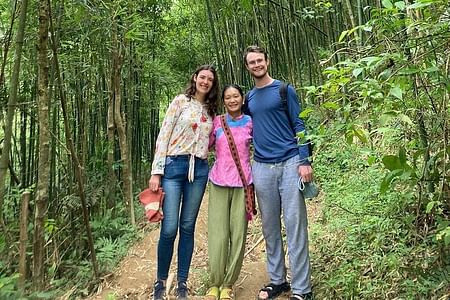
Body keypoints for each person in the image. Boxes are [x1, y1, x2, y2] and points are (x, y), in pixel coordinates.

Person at [243, 45, 314, 300]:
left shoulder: (285, 90)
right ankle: (278, 280)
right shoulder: (249, 98)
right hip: (261, 166)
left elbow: (299, 124)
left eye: (259, 60)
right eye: (252, 62)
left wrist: (305, 160)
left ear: (267, 61)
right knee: (270, 227)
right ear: (248, 67)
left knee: (295, 226)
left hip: (290, 163)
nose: (257, 65)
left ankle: (302, 289)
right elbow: (246, 129)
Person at [149, 65, 220, 300]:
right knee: (169, 228)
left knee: (188, 226)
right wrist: (156, 172)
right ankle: (160, 282)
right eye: (202, 77)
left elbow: (211, 142)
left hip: (198, 169)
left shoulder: (212, 111)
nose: (205, 82)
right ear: (195, 78)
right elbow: (164, 134)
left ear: (213, 84)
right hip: (173, 166)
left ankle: (182, 282)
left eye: (210, 79)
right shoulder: (180, 101)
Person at [205, 84, 253, 300]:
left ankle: (228, 284)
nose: (232, 100)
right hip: (218, 182)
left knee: (239, 234)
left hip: (243, 184)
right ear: (223, 101)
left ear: (242, 99)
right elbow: (205, 146)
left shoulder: (252, 122)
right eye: (228, 97)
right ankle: (214, 282)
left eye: (236, 96)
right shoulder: (216, 121)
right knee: (218, 235)